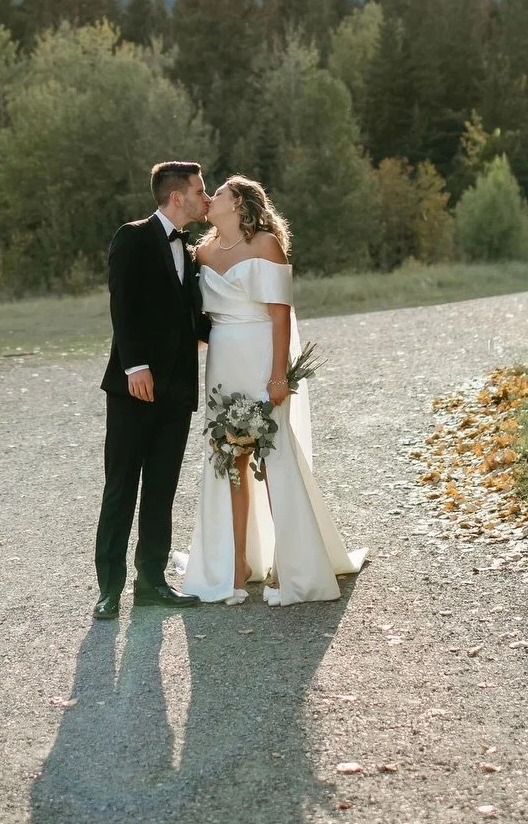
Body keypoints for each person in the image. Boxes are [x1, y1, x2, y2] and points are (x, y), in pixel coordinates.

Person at [177, 176, 367, 605]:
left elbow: (281, 316)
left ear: (239, 203)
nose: (210, 198)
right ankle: (236, 568)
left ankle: (292, 568)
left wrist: (278, 375)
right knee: (229, 459)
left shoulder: (266, 245)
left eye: (219, 193)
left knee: (274, 455)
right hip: (223, 360)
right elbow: (198, 319)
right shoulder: (202, 253)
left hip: (261, 354)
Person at [93, 160, 212, 620]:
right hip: (133, 388)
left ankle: (152, 582)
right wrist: (134, 366)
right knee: (121, 485)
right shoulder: (133, 236)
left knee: (161, 488)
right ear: (177, 197)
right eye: (201, 191)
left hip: (178, 389)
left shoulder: (194, 248)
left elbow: (194, 317)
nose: (207, 197)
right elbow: (122, 304)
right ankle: (108, 589)